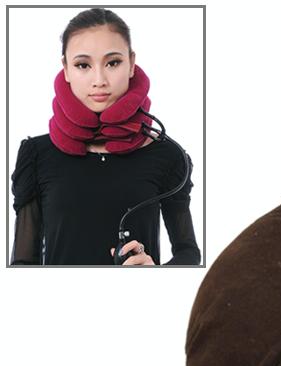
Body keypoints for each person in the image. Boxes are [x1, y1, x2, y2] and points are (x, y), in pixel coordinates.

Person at [9, 8, 201, 266]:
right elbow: (22, 265)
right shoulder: (36, 154)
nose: (99, 80)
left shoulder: (168, 155)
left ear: (131, 64)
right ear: (65, 69)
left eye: (113, 63)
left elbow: (189, 253)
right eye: (83, 65)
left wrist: (155, 272)